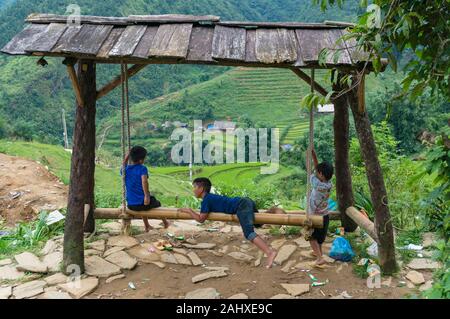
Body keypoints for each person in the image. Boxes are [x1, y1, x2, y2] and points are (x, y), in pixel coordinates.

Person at [178, 177, 278, 268]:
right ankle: (273, 210)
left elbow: (201, 219)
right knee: (257, 223)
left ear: (201, 189)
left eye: (194, 187)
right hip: (245, 201)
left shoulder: (206, 200)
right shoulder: (209, 198)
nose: (193, 190)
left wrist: (189, 211)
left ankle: (270, 253)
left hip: (241, 205)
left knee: (248, 233)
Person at [122, 146, 169, 232]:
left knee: (142, 200)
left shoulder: (126, 169)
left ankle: (147, 226)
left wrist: (127, 155)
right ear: (141, 160)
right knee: (157, 203)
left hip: (131, 205)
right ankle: (165, 222)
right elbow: (144, 181)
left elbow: (123, 164)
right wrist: (147, 196)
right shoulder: (142, 168)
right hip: (142, 204)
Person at [309, 149, 333, 266]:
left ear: (321, 175)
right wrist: (315, 157)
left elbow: (312, 172)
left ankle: (319, 258)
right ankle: (319, 253)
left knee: (311, 237)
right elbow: (318, 172)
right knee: (319, 238)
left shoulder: (316, 184)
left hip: (315, 216)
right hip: (325, 215)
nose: (316, 173)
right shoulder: (329, 184)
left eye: (318, 173)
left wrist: (312, 160)